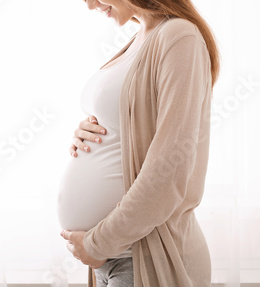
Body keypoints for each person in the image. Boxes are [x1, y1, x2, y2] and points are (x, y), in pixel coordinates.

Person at [58, 0, 220, 286]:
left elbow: (171, 169)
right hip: (112, 258)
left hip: (144, 257)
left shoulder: (179, 36)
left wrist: (98, 244)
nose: (90, 4)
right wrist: (88, 134)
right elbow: (131, 126)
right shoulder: (139, 37)